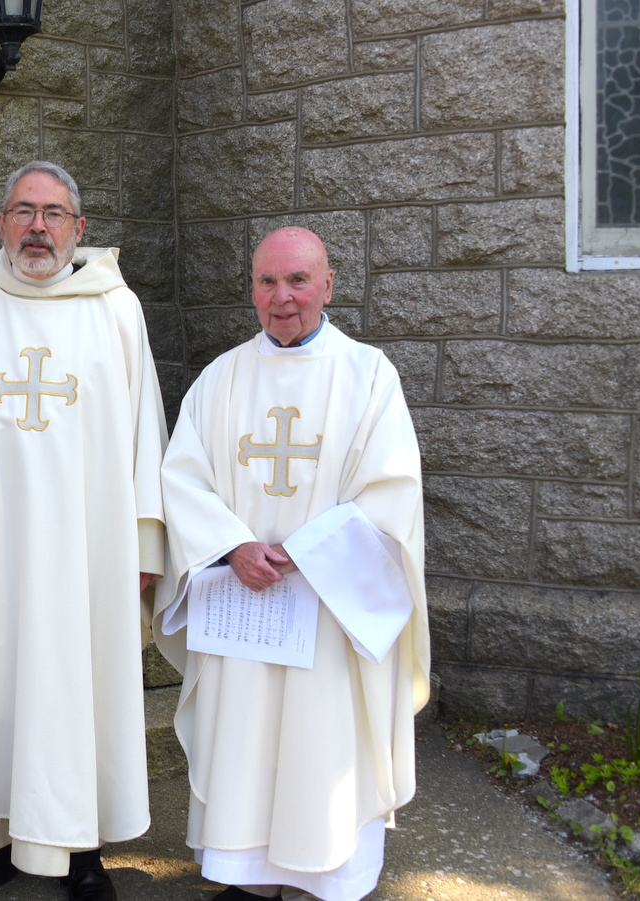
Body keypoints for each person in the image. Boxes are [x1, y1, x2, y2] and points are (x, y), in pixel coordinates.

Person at [0, 161, 168, 901]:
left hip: (89, 550)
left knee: (78, 686)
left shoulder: (117, 311)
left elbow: (144, 431)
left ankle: (79, 847)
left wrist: (144, 544)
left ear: (79, 229)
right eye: (22, 211)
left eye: (54, 214)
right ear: (0, 224)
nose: (37, 227)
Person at [153, 227, 429, 901]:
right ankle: (246, 877)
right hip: (244, 613)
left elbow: (392, 494)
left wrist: (305, 553)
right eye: (267, 282)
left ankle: (325, 875)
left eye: (298, 281)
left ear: (328, 285)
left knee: (320, 745)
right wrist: (230, 545)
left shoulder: (369, 377)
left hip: (328, 615)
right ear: (251, 289)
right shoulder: (220, 380)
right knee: (243, 740)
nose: (282, 298)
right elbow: (181, 479)